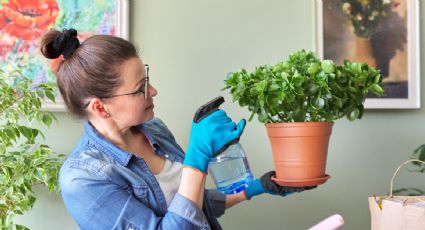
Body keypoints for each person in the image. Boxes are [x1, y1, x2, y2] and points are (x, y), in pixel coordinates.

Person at [40, 28, 315, 230]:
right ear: (101, 108)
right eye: (140, 89)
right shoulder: (82, 179)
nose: (154, 90)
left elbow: (191, 205)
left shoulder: (154, 129)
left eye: (147, 79)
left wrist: (255, 189)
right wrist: (196, 158)